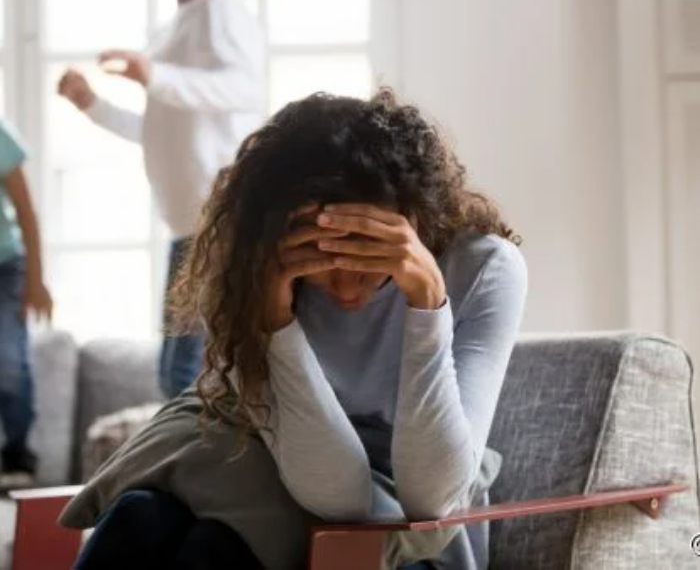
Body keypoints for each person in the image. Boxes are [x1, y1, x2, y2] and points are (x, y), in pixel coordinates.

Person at [61, 90, 528, 570]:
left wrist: (427, 304)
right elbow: (336, 488)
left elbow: (430, 499)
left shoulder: (483, 268)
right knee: (141, 518)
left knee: (217, 547)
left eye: (366, 253)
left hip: (408, 528)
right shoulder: (251, 266)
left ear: (413, 217)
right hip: (274, 460)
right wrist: (275, 322)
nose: (345, 286)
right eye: (322, 258)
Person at [56, 0, 267, 399]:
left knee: (189, 372)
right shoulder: (173, 29)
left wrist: (155, 75)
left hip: (221, 223)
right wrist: (93, 105)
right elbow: (157, 132)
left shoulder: (220, 11)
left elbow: (244, 88)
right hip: (187, 227)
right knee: (175, 373)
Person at [0, 120, 52, 489]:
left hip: (5, 267)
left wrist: (36, 280)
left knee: (8, 361)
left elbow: (26, 211)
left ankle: (18, 455)